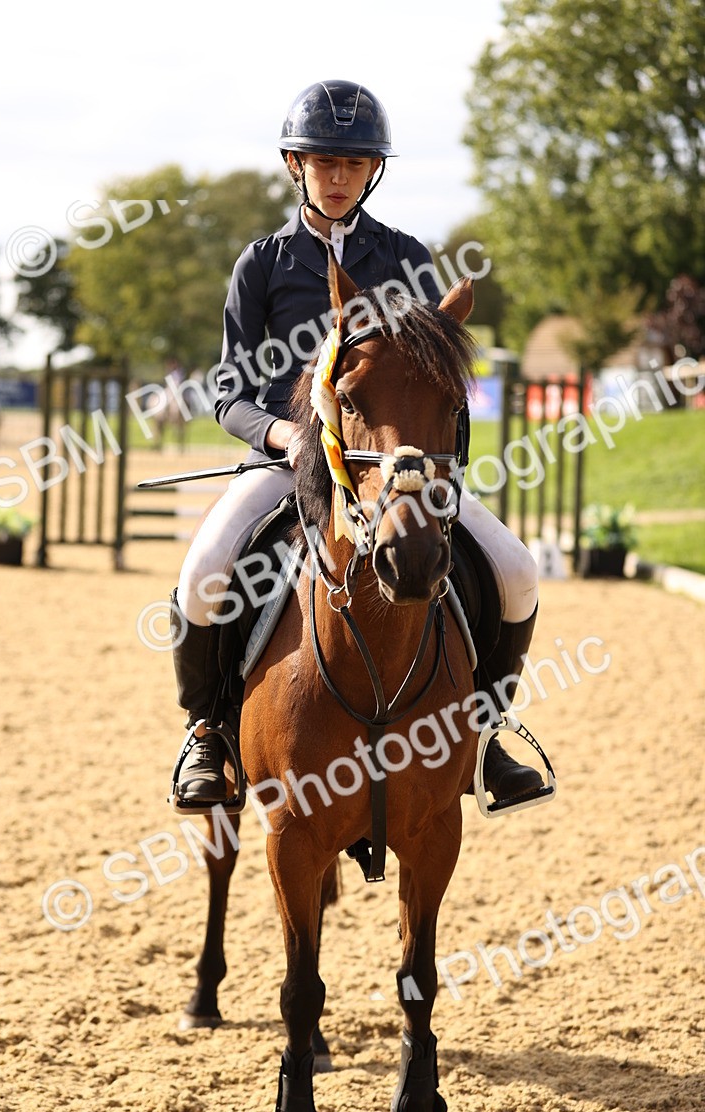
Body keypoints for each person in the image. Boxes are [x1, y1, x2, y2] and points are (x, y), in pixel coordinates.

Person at [170, 79, 546, 813]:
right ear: (296, 165)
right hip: (288, 462)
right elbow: (229, 395)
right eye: (324, 162)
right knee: (204, 573)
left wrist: (431, 465)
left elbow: (439, 375)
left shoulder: (405, 256)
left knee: (516, 569)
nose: (338, 177)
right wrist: (286, 434)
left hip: (393, 468)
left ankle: (487, 731)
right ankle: (207, 732)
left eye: (354, 163)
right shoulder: (262, 263)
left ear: (373, 170)